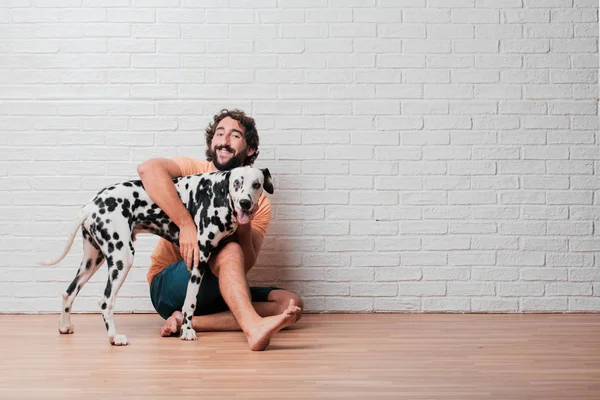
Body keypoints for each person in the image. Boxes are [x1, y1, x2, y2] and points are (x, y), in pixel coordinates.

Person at [137, 109, 303, 351]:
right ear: (212, 141)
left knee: (291, 303)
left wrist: (242, 218)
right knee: (230, 249)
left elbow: (244, 265)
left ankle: (188, 320)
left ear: (250, 149)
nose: (224, 141)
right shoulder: (193, 170)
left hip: (213, 286)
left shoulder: (259, 199)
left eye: (235, 135)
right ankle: (254, 327)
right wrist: (186, 224)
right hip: (170, 283)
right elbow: (147, 170)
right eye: (219, 133)